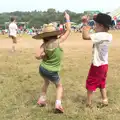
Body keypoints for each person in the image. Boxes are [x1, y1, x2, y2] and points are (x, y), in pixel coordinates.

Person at [35, 12, 71, 113]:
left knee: (46, 82)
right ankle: (58, 104)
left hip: (42, 69)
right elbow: (68, 30)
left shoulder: (44, 45)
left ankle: (42, 99)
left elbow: (37, 55)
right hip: (52, 70)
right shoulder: (58, 41)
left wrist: (43, 56)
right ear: (55, 34)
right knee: (59, 86)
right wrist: (67, 19)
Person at [82, 13, 112, 107]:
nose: (94, 26)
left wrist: (85, 24)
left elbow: (85, 36)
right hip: (104, 64)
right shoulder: (108, 35)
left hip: (97, 64)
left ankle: (89, 103)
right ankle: (104, 100)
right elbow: (95, 32)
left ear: (101, 26)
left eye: (95, 24)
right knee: (102, 83)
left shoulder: (100, 35)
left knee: (91, 82)